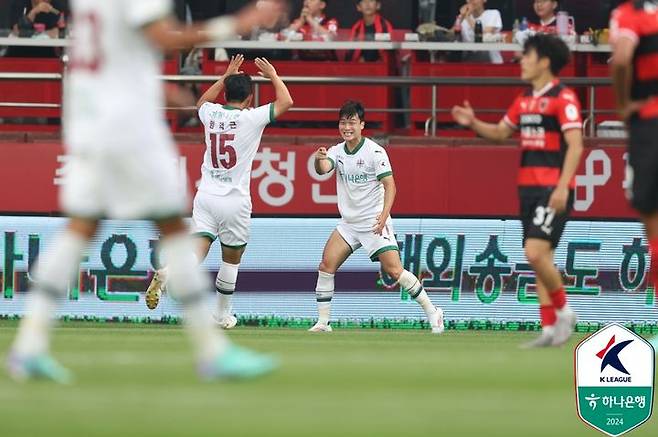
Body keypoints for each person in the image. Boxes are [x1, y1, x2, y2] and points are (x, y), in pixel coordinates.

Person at [6, 0, 286, 383]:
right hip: (129, 122)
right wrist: (239, 22)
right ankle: (213, 350)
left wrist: (149, 85)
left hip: (89, 114)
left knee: (80, 228)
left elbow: (116, 50)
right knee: (171, 225)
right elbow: (163, 36)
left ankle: (29, 346)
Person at [451, 34, 582, 348]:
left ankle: (565, 311)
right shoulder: (524, 99)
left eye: (527, 56)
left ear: (544, 61)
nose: (521, 61)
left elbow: (576, 145)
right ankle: (550, 329)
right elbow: (499, 133)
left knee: (534, 253)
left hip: (553, 188)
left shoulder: (563, 98)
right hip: (527, 188)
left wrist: (563, 187)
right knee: (542, 259)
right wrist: (473, 122)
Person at [145, 54, 293, 329]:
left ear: (226, 93)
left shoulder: (210, 113)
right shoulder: (251, 118)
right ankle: (222, 314)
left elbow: (201, 102)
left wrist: (225, 75)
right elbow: (286, 102)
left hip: (206, 195)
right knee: (232, 258)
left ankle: (169, 271)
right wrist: (272, 74)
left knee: (197, 249)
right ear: (249, 99)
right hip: (235, 200)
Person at [309, 100, 445, 334]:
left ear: (362, 124)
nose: (347, 127)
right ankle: (323, 323)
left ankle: (433, 311)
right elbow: (322, 169)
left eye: (352, 122)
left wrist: (383, 217)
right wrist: (317, 157)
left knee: (395, 271)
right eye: (343, 122)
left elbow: (390, 186)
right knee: (326, 265)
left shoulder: (375, 151)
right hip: (349, 224)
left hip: (373, 221)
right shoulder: (336, 151)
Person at [609, 0, 658, 352]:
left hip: (650, 123)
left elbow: (623, 58)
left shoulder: (629, 13)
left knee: (654, 224)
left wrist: (624, 103)